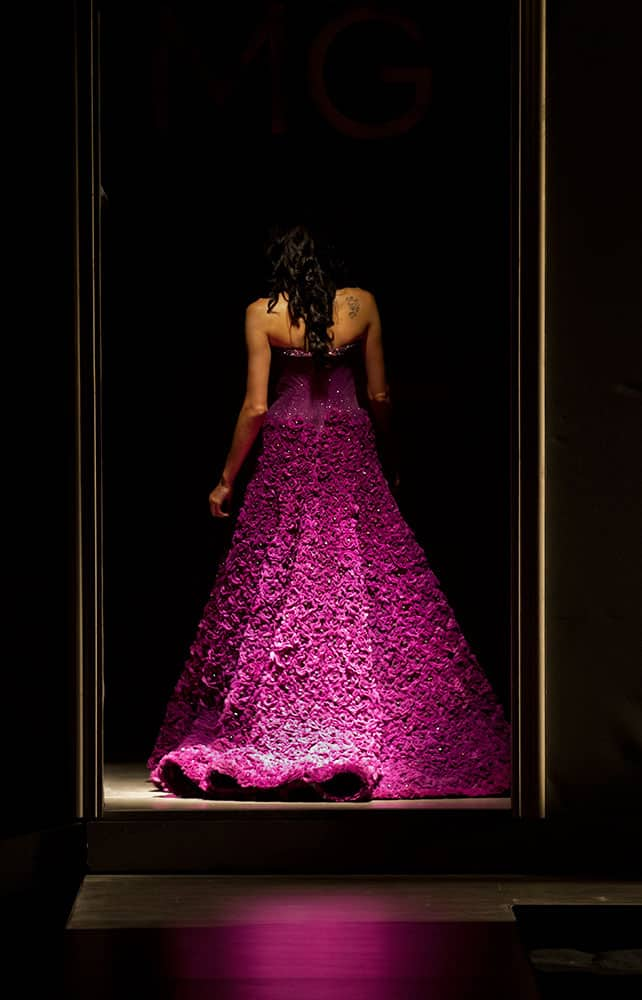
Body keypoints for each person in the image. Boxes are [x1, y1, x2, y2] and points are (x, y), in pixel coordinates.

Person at [146, 222, 511, 802]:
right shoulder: (361, 304)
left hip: (290, 446)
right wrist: (393, 453)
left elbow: (257, 405)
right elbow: (381, 394)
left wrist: (224, 479)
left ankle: (280, 706)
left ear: (279, 265)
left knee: (275, 569)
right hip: (346, 443)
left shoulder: (261, 313)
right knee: (369, 566)